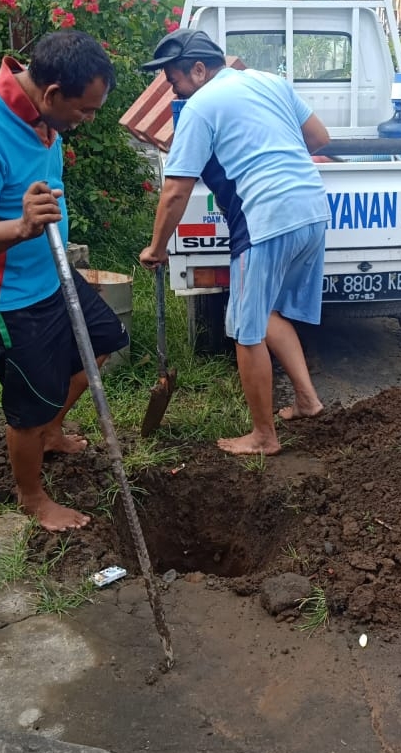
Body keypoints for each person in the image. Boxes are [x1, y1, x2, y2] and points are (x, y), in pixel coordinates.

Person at [0, 30, 128, 531]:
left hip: (51, 273)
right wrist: (22, 227)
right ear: (52, 94)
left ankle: (50, 431)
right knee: (31, 402)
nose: (88, 120)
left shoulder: (45, 114)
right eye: (84, 110)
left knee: (103, 341)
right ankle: (32, 497)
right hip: (5, 296)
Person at [138, 27, 330, 456]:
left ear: (199, 70)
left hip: (265, 221)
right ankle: (307, 401)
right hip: (313, 210)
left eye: (174, 80)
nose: (173, 90)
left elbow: (176, 190)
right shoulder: (270, 82)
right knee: (267, 312)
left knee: (246, 330)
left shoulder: (200, 106)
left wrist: (157, 248)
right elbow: (319, 138)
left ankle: (263, 436)